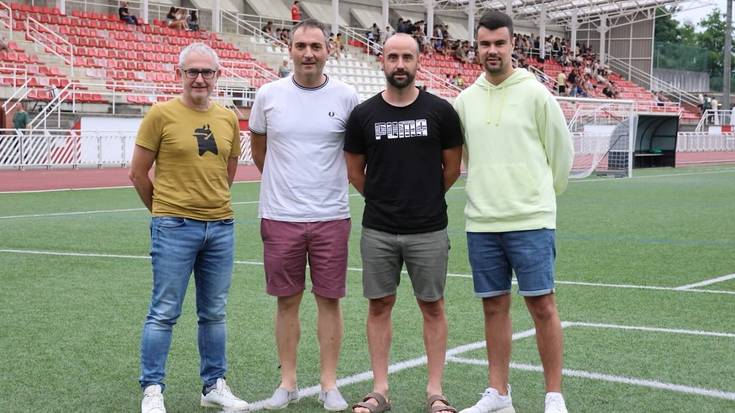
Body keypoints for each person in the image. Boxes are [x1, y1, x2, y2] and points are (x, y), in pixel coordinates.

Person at [452, 11, 573, 413]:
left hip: (531, 220)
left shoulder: (536, 94)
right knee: (493, 306)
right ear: (477, 47)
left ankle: (553, 395)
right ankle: (499, 394)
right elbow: (465, 155)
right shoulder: (465, 101)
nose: (492, 51)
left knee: (543, 305)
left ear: (513, 45)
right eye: (485, 44)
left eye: (499, 43)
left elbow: (561, 153)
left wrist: (539, 197)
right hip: (482, 221)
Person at [344, 33, 463, 413]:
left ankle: (435, 391)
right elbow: (355, 171)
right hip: (378, 229)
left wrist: (423, 199)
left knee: (433, 306)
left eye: (406, 57)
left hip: (429, 229)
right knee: (379, 306)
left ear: (417, 62)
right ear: (382, 61)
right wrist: (385, 199)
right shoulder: (363, 115)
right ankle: (380, 390)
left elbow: (452, 168)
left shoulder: (441, 111)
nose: (399, 64)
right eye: (393, 57)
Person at [129, 42, 250, 413]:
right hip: (174, 226)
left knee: (214, 311)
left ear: (218, 75)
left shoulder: (228, 118)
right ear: (178, 74)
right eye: (192, 72)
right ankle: (152, 389)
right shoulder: (160, 114)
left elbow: (227, 172)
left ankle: (213, 384)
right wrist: (164, 212)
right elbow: (137, 172)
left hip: (220, 226)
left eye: (207, 72)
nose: (200, 78)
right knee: (164, 311)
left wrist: (210, 205)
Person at [249, 19, 359, 411]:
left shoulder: (347, 96)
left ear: (329, 50)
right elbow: (260, 151)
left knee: (330, 300)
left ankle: (329, 384)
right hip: (280, 216)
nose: (308, 53)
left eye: (316, 46)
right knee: (286, 301)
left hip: (331, 214)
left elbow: (354, 154)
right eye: (301, 46)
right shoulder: (268, 95)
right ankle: (288, 382)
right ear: (289, 49)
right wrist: (287, 188)